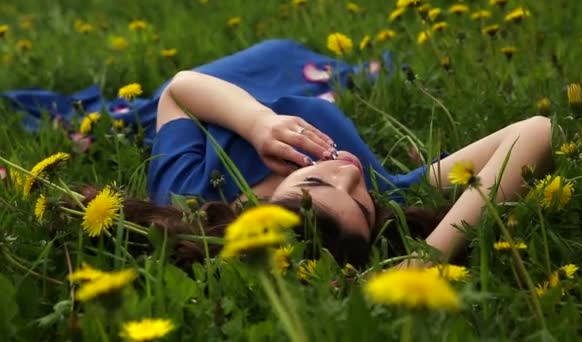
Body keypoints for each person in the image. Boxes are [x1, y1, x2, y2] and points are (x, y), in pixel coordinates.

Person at [147, 42, 553, 268]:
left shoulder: (189, 198)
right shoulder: (388, 197)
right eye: (362, 205)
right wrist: (427, 260)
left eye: (315, 182)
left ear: (262, 207)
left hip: (227, 87)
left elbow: (182, 89)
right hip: (297, 82)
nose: (349, 170)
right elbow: (538, 131)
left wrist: (257, 122)